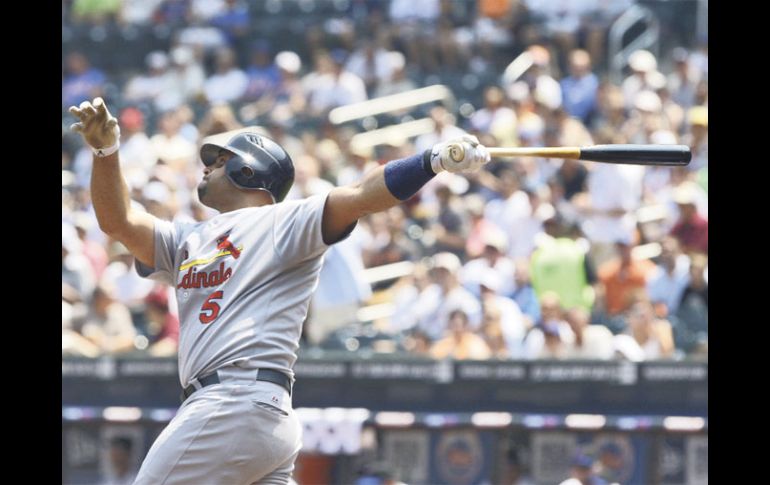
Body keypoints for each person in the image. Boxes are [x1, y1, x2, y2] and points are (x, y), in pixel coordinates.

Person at [68, 97, 490, 484]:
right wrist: (106, 153)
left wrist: (433, 160)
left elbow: (361, 195)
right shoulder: (186, 238)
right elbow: (118, 221)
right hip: (252, 412)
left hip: (233, 400)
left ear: (248, 169)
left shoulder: (282, 222)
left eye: (219, 158)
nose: (208, 164)